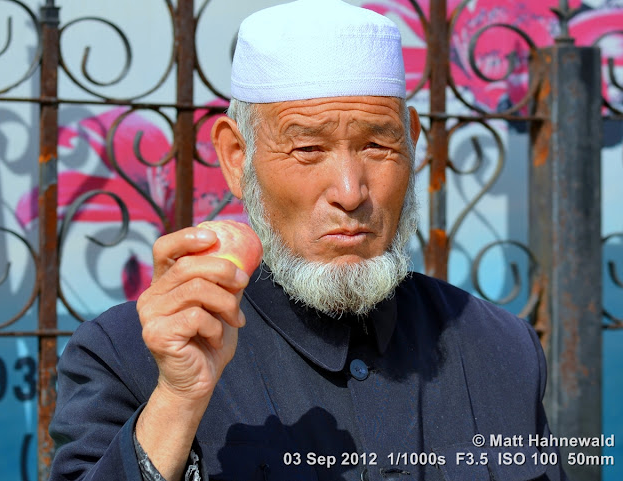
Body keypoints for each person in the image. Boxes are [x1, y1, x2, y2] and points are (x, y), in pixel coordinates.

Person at [49, 1, 568, 480]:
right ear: (236, 156)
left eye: (376, 145)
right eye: (308, 147)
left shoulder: (500, 349)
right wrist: (178, 402)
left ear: (412, 142)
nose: (349, 191)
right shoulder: (131, 354)